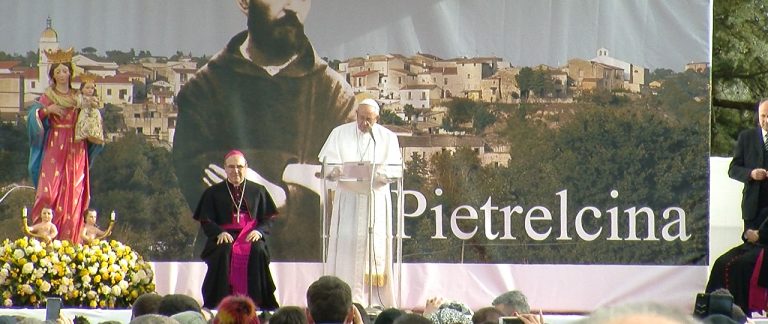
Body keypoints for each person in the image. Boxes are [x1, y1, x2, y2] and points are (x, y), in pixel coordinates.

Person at [173, 0, 356, 261]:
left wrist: (278, 193)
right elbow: (202, 183)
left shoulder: (335, 94)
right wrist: (296, 175)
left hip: (308, 263)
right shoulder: (203, 89)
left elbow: (340, 187)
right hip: (227, 257)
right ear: (245, 2)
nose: (293, 7)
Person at [317, 99, 403, 307]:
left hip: (375, 200)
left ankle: (373, 302)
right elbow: (327, 163)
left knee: (373, 248)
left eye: (369, 120)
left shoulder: (387, 138)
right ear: (356, 115)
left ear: (377, 119)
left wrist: (379, 172)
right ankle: (343, 300)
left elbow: (397, 169)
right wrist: (337, 170)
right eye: (361, 118)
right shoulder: (339, 133)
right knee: (345, 246)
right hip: (348, 200)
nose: (365, 123)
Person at [27, 47, 102, 243]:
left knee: (73, 190)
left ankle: (71, 240)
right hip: (55, 143)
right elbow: (33, 116)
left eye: (65, 71)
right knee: (48, 190)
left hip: (76, 145)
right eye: (58, 71)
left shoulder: (78, 96)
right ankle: (43, 238)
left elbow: (92, 115)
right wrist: (47, 110)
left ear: (71, 73)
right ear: (52, 74)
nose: (62, 75)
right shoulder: (48, 96)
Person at [193, 150, 279, 309]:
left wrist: (259, 231)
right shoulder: (213, 192)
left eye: (239, 166)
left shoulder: (258, 190)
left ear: (246, 167)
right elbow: (206, 219)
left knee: (258, 249)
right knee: (224, 250)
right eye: (231, 167)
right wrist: (219, 232)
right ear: (225, 168)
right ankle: (220, 301)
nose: (235, 171)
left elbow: (268, 217)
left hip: (250, 233)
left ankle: (257, 302)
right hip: (224, 234)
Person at [74, 73, 104, 144]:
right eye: (87, 88)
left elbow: (99, 105)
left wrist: (94, 103)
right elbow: (78, 104)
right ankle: (81, 135)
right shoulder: (81, 97)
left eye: (92, 88)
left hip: (94, 114)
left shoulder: (94, 98)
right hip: (85, 113)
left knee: (95, 124)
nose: (90, 90)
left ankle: (96, 135)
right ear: (82, 88)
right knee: (83, 124)